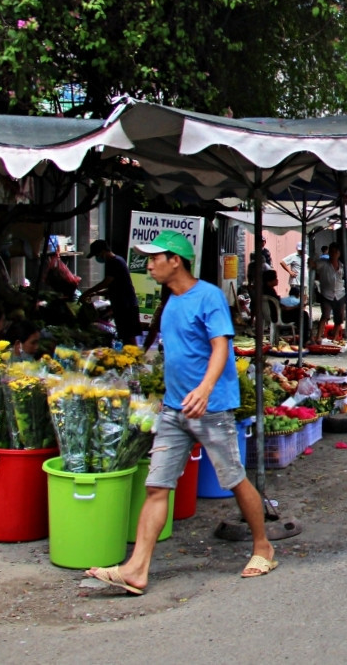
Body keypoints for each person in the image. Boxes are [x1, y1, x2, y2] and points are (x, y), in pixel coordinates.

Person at [85, 230, 275, 595]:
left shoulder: (209, 297)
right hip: (174, 410)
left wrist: (203, 390)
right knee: (157, 486)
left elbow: (221, 347)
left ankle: (262, 546)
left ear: (176, 260)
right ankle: (136, 569)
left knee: (234, 478)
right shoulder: (170, 300)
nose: (149, 264)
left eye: (155, 258)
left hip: (211, 408)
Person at [85, 240, 143, 346]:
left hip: (126, 305)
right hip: (123, 305)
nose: (97, 257)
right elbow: (115, 286)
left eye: (97, 254)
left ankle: (134, 360)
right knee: (126, 337)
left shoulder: (114, 262)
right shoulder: (115, 261)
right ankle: (131, 359)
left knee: (128, 337)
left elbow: (106, 282)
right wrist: (96, 293)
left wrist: (87, 292)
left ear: (102, 251)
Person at [313, 244, 345, 343]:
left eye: (335, 252)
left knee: (339, 318)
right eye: (331, 251)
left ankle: (335, 338)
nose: (333, 254)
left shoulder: (342, 266)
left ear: (338, 254)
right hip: (326, 294)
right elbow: (313, 265)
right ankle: (318, 337)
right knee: (325, 316)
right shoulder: (323, 264)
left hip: (340, 294)